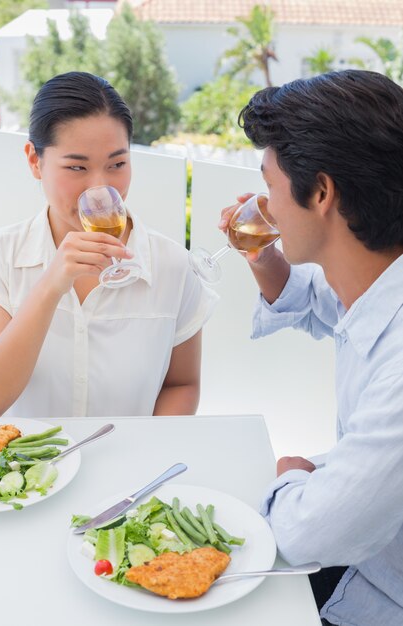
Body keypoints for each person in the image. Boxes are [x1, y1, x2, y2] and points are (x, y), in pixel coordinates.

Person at [219, 70, 403, 625]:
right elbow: (337, 307)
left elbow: (308, 533)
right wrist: (264, 259)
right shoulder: (377, 278)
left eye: (269, 186)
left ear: (321, 192)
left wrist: (293, 475)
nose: (263, 206)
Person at [0, 71, 216, 418]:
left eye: (117, 164)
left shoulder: (172, 265)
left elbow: (181, 385)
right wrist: (50, 286)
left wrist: (148, 456)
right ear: (35, 161)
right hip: (35, 471)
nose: (100, 188)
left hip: (135, 469)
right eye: (77, 167)